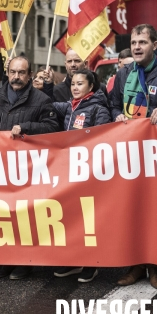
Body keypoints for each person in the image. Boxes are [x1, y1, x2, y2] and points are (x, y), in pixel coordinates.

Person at [110, 23, 157, 290]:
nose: (137, 47)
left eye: (142, 42)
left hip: (155, 157)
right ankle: (135, 265)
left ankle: (155, 267)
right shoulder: (123, 75)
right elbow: (112, 105)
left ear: (155, 45)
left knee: (153, 212)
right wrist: (116, 115)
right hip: (129, 155)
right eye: (134, 43)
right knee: (131, 210)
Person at [0, 56, 60, 280]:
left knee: (25, 214)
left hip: (28, 166)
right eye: (13, 72)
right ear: (7, 73)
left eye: (21, 73)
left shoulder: (42, 99)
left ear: (29, 75)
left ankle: (24, 261)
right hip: (1, 165)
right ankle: (5, 259)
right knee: (2, 213)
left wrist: (26, 128)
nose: (16, 77)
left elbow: (52, 127)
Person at [51, 69, 111, 283]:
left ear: (91, 87)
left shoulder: (98, 108)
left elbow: (103, 138)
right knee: (72, 216)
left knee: (88, 219)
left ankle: (91, 263)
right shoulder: (69, 106)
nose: (75, 87)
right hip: (71, 170)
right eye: (73, 84)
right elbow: (46, 104)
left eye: (80, 84)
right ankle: (75, 259)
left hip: (89, 172)